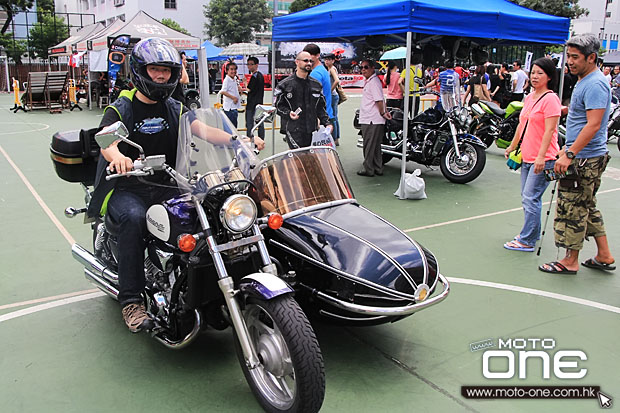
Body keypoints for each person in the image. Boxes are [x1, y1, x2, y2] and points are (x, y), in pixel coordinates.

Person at [86, 38, 264, 333]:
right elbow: (107, 139)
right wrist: (118, 157)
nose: (160, 76)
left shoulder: (174, 107)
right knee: (134, 219)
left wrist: (238, 141)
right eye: (155, 69)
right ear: (141, 70)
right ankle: (132, 301)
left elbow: (203, 129)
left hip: (171, 184)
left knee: (213, 211)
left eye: (166, 71)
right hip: (128, 188)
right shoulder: (122, 107)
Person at [539, 34, 615, 274]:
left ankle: (570, 261)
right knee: (587, 204)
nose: (570, 62)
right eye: (568, 56)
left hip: (584, 159)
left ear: (591, 58)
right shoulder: (587, 81)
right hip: (585, 154)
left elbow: (592, 125)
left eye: (575, 57)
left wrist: (569, 153)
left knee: (572, 208)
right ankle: (604, 254)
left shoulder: (593, 84)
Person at [503, 57, 561, 252]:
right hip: (527, 156)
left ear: (549, 77)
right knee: (528, 197)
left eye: (540, 73)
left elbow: (550, 130)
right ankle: (531, 234)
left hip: (543, 158)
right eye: (533, 72)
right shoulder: (529, 97)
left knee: (530, 197)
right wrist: (512, 146)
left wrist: (541, 157)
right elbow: (522, 125)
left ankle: (527, 240)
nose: (535, 77)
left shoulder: (551, 99)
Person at [274, 51, 332, 149]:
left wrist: (327, 123)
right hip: (292, 128)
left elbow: (320, 107)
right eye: (305, 61)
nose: (309, 63)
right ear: (297, 62)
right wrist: (288, 113)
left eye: (310, 61)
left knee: (308, 157)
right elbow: (277, 106)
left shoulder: (316, 85)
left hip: (310, 128)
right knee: (298, 157)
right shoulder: (284, 85)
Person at [358, 59, 392, 177]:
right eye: (361, 67)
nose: (363, 70)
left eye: (366, 67)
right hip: (373, 118)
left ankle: (369, 168)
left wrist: (383, 113)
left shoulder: (373, 82)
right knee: (375, 145)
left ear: (373, 68)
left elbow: (378, 100)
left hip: (371, 119)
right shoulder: (372, 81)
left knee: (369, 145)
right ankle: (377, 167)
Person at [303, 44, 334, 121]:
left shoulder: (316, 73)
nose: (308, 59)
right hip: (326, 113)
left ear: (317, 55)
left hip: (320, 116)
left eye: (310, 56)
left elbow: (313, 98)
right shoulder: (322, 69)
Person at [244, 56, 265, 139]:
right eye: (248, 64)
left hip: (252, 103)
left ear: (256, 65)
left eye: (251, 64)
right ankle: (261, 138)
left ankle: (250, 139)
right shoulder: (260, 75)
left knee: (249, 123)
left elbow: (249, 89)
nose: (249, 66)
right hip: (259, 102)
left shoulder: (255, 76)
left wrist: (245, 83)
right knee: (260, 123)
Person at [324, 53, 341, 146]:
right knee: (334, 117)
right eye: (326, 59)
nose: (326, 61)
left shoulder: (332, 69)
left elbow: (337, 80)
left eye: (329, 59)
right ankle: (336, 138)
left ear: (333, 60)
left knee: (332, 117)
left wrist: (329, 91)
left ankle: (335, 138)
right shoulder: (330, 69)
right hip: (333, 96)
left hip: (332, 96)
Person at [220, 62, 243, 127]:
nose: (233, 71)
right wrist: (233, 97)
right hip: (229, 108)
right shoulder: (227, 80)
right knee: (231, 127)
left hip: (234, 106)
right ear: (227, 71)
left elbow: (236, 86)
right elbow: (223, 91)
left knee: (234, 125)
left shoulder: (234, 78)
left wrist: (239, 88)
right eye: (231, 69)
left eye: (235, 69)